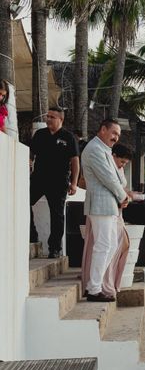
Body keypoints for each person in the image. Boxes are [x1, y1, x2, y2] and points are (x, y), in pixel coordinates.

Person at [82, 119, 129, 302]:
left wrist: (121, 194)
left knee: (109, 246)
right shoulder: (94, 149)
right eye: (114, 133)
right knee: (103, 246)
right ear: (102, 129)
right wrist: (123, 196)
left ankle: (95, 284)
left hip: (108, 205)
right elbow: (108, 178)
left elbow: (120, 180)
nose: (116, 137)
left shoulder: (105, 151)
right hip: (100, 204)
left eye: (118, 135)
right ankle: (93, 288)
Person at [29, 106, 80, 258]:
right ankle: (32, 235)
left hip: (59, 182)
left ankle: (55, 248)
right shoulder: (40, 134)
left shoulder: (68, 137)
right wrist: (29, 160)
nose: (48, 119)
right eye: (48, 116)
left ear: (61, 120)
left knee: (57, 215)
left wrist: (74, 183)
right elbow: (31, 152)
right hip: (38, 179)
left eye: (52, 117)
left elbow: (75, 161)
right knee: (24, 202)